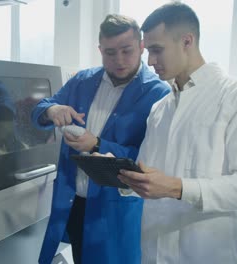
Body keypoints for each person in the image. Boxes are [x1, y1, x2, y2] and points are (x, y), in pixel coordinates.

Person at [117, 3, 237, 263]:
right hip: (153, 252)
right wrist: (120, 172)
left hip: (206, 254)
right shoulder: (160, 109)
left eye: (156, 50)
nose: (149, 61)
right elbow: (149, 174)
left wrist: (178, 188)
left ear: (187, 40)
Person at [31, 14, 170, 264]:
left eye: (126, 51)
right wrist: (52, 110)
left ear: (141, 47)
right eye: (109, 52)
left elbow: (152, 160)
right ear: (100, 50)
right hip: (73, 202)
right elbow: (40, 109)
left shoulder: (158, 93)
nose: (118, 60)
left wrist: (96, 144)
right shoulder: (82, 81)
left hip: (115, 209)